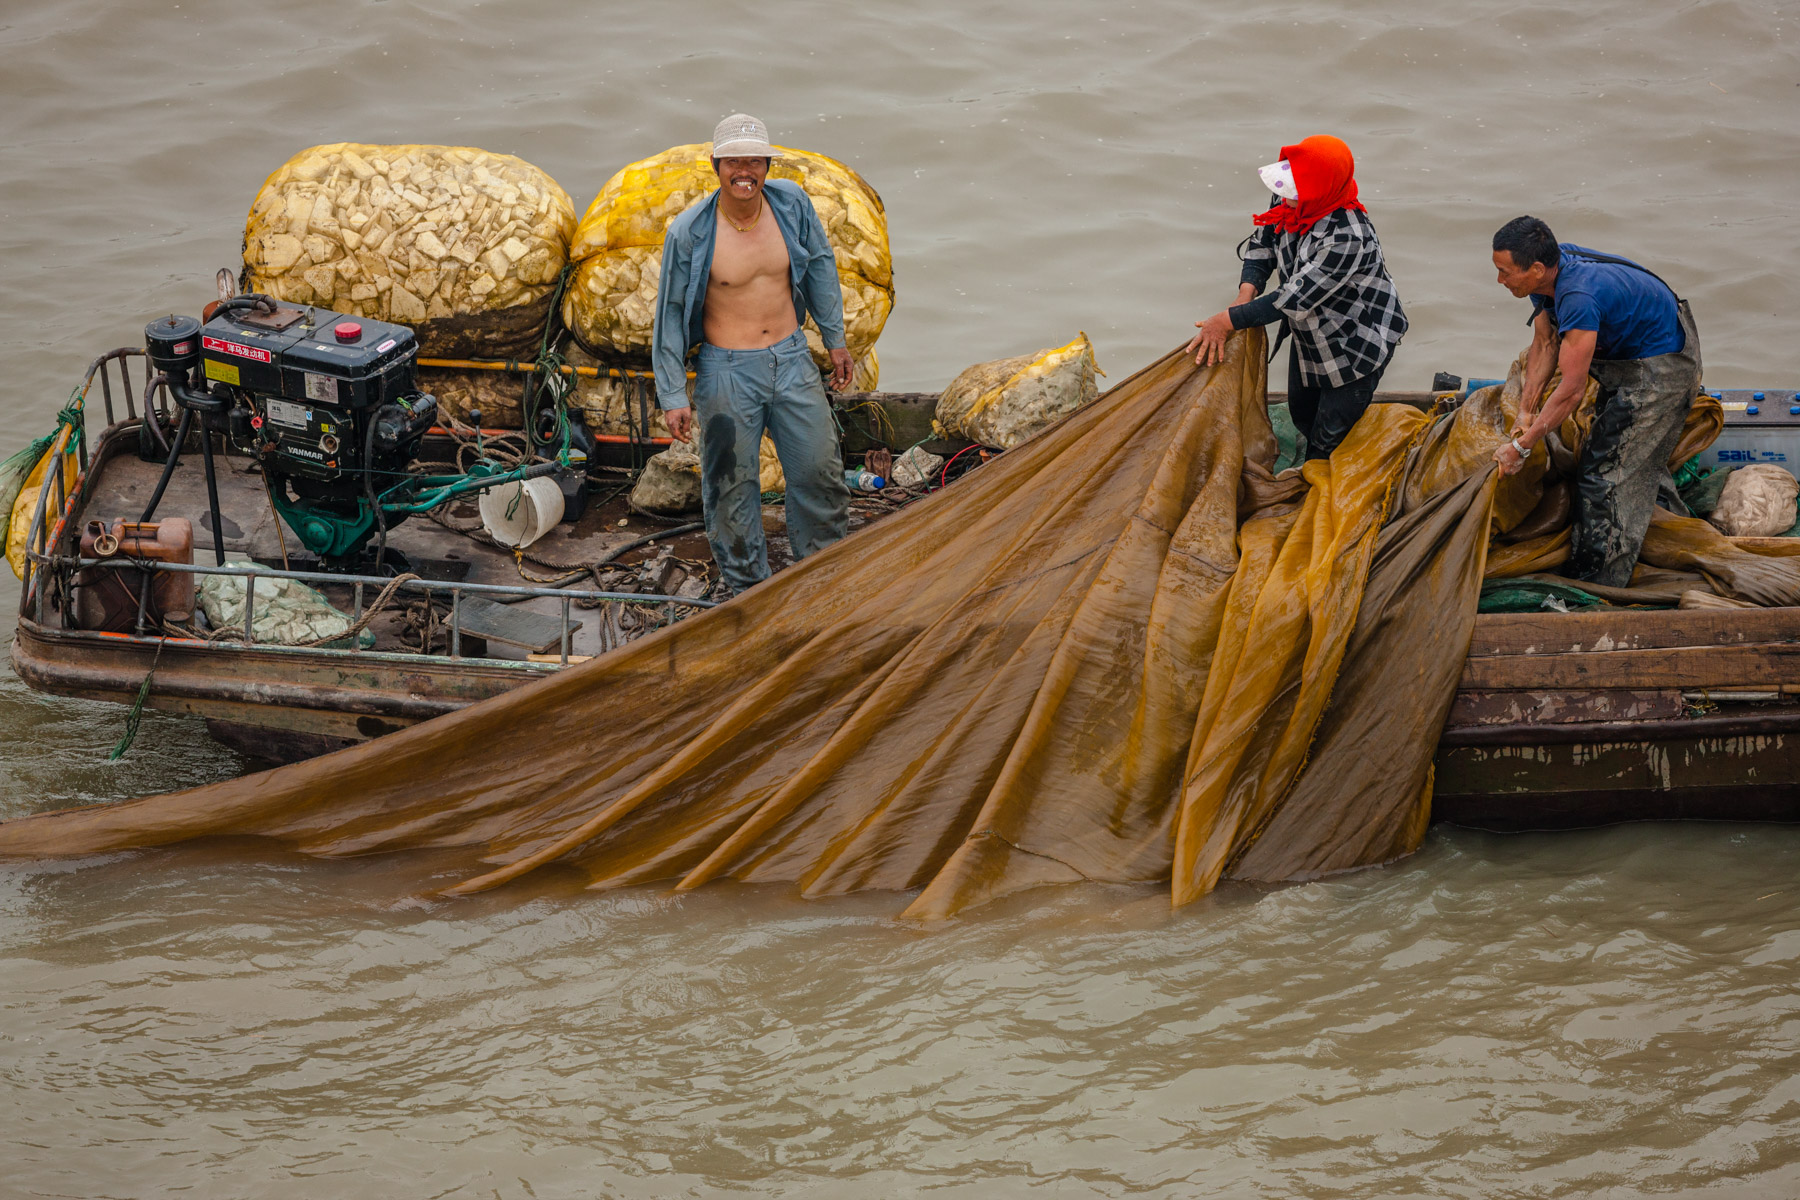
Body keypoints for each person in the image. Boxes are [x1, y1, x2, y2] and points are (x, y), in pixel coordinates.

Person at [652, 113, 855, 595]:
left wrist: (835, 338)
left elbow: (821, 266)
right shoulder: (690, 231)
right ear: (715, 166)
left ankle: (821, 576)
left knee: (819, 472)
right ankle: (749, 590)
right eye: (734, 162)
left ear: (767, 165)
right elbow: (670, 314)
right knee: (731, 489)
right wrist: (672, 395)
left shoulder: (792, 204)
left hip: (792, 359)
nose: (745, 172)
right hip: (726, 373)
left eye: (755, 162)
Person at [1489, 216, 1701, 588]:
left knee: (1603, 476)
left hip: (1660, 372)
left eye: (1505, 272)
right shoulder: (1546, 279)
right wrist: (1526, 411)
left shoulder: (1579, 297)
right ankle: (1673, 535)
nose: (1499, 280)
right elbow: (1545, 343)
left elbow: (1572, 391)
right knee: (1631, 455)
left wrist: (1522, 447)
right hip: (1626, 358)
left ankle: (1600, 582)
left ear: (1536, 268)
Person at [1189, 135, 1407, 463]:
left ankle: (1322, 470)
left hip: (1355, 343)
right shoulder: (1291, 198)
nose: (1284, 197)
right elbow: (1263, 242)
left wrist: (1226, 321)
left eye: (1294, 191)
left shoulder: (1348, 238)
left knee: (1329, 438)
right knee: (1302, 413)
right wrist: (1245, 293)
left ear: (1320, 189)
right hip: (1310, 332)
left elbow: (1292, 299)